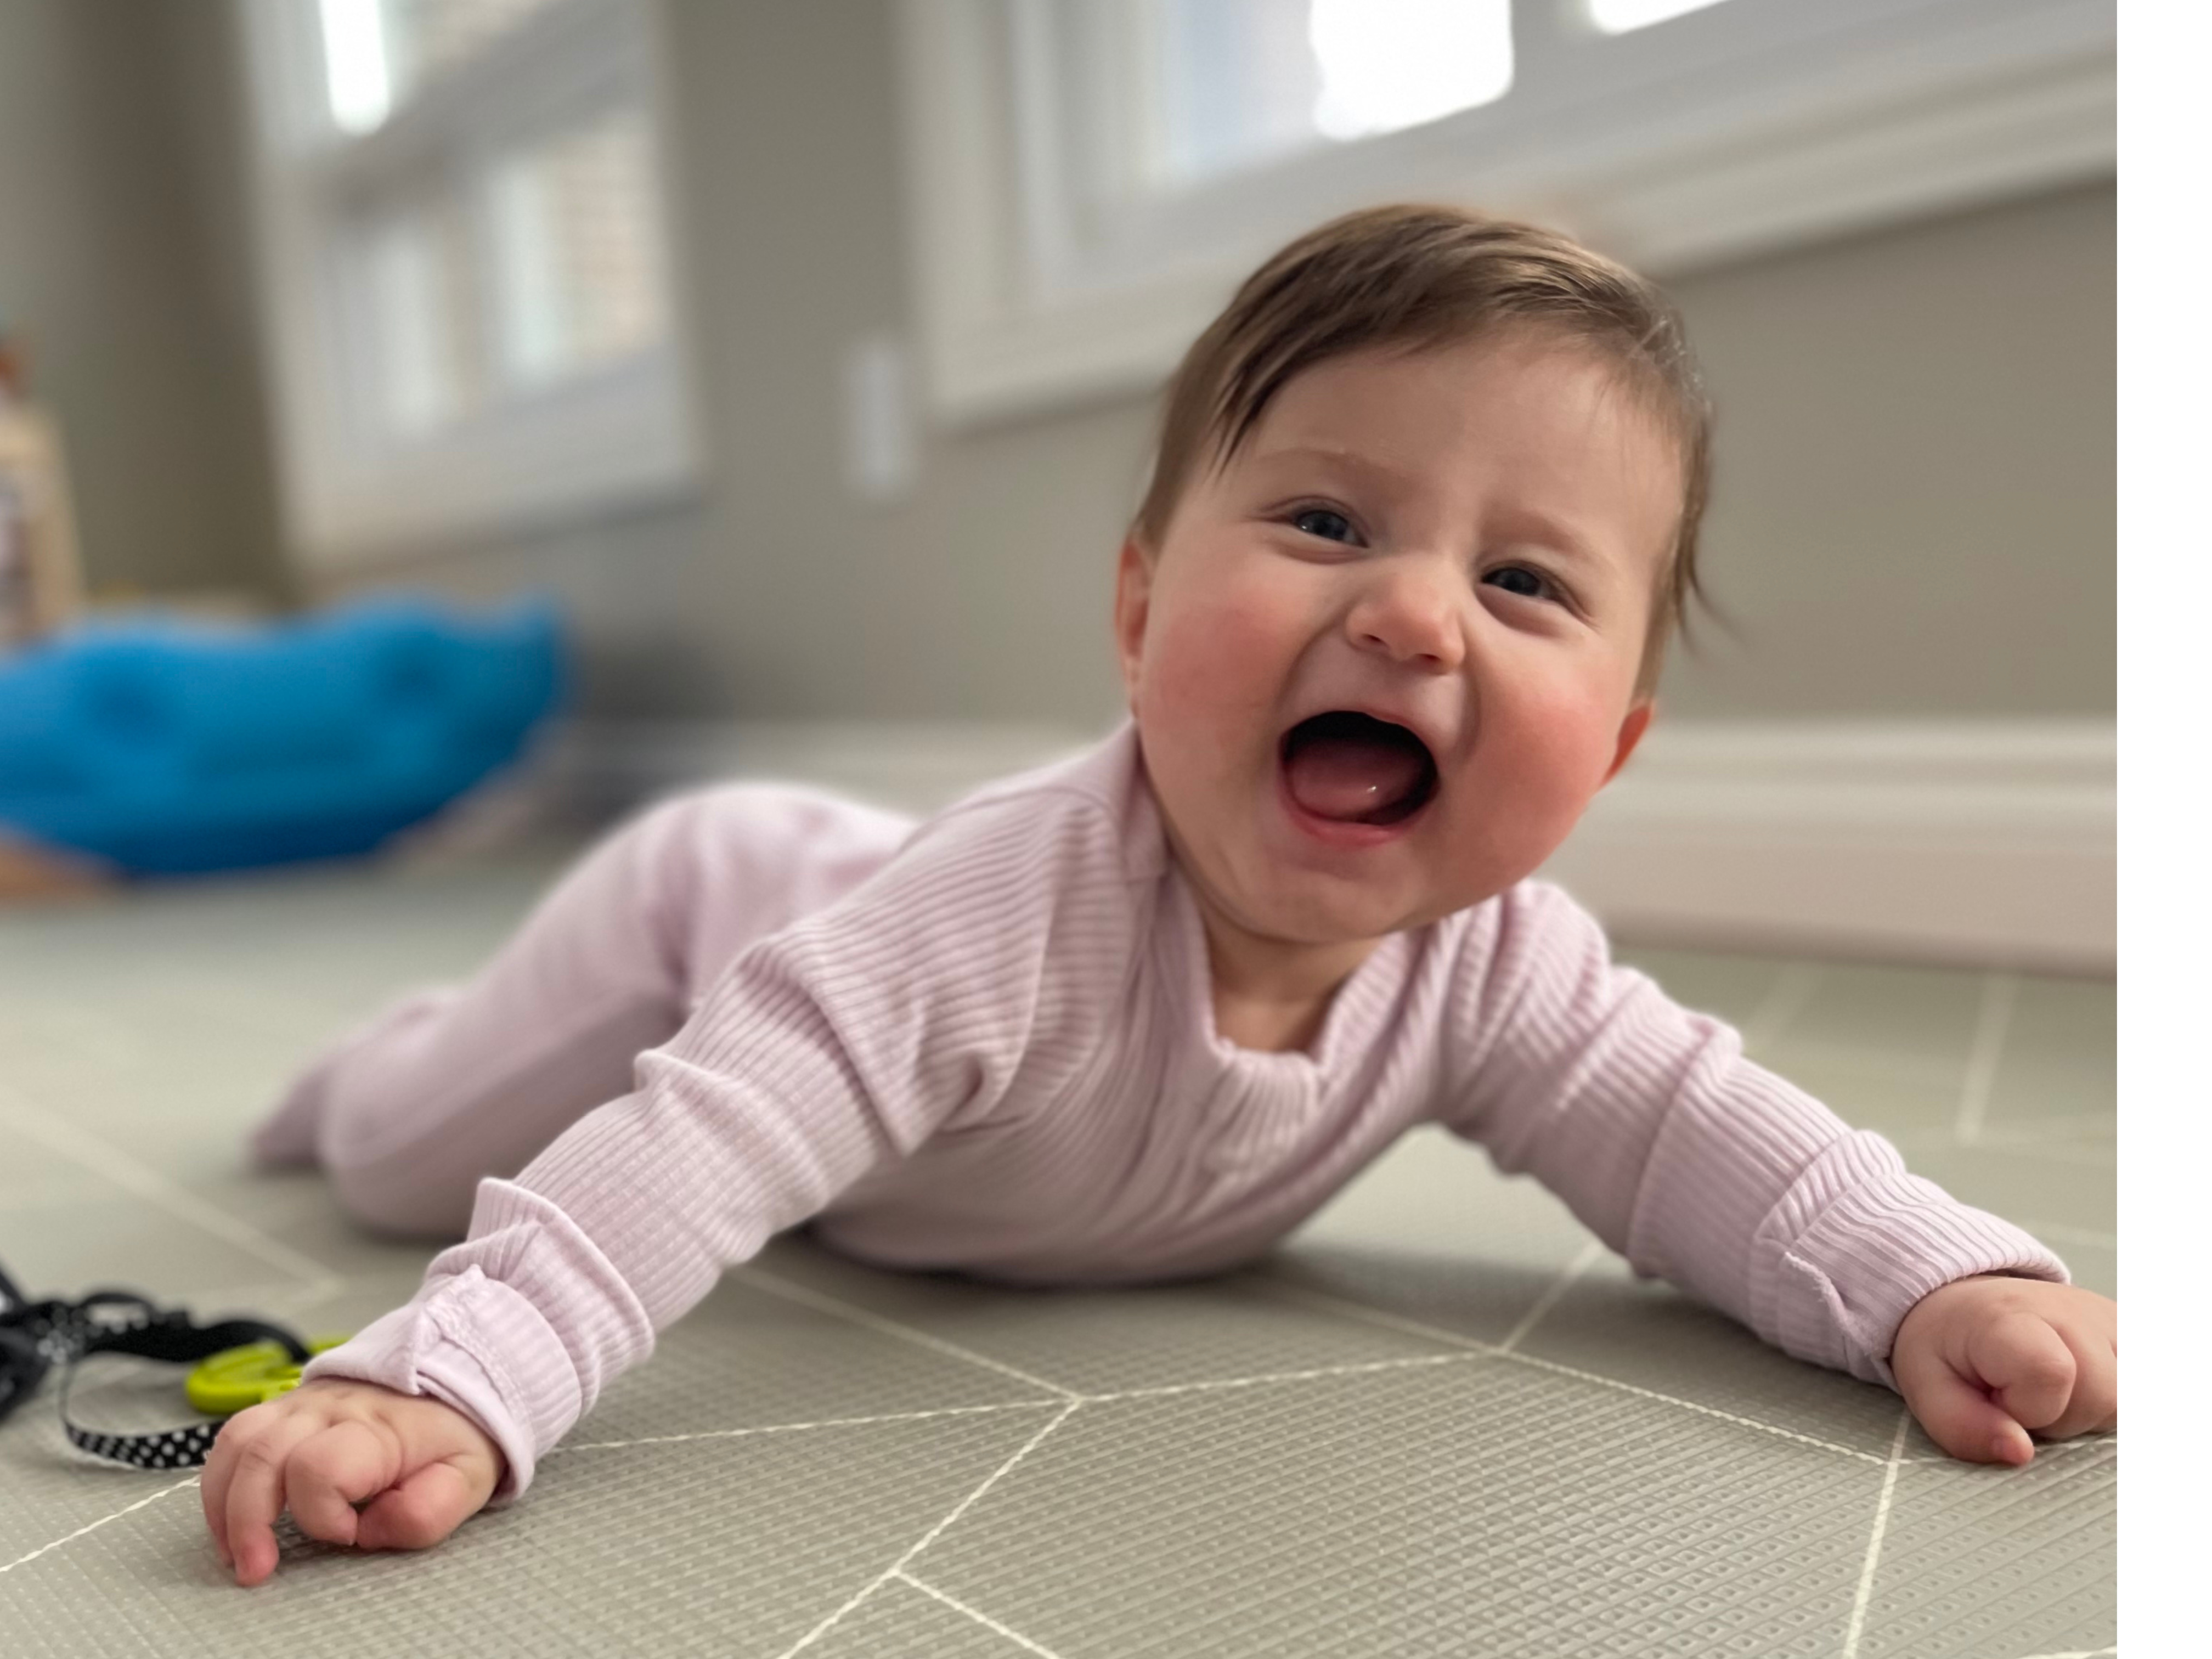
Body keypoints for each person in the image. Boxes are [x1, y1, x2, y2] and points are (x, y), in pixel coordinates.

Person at [201, 205, 2118, 1588]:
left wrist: (1930, 1280)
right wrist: (452, 1388)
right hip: (716, 919)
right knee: (395, 1156)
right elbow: (696, 1156)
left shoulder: (1497, 969)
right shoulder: (994, 926)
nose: (1411, 612)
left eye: (1526, 584)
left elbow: (1711, 1139)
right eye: (1325, 522)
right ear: (1136, 616)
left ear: (1609, 751)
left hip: (893, 1047)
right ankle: (370, 1061)